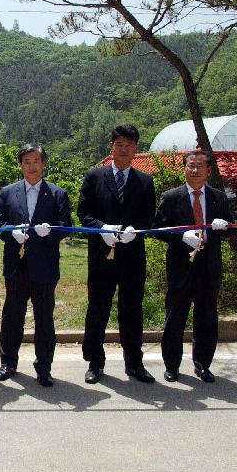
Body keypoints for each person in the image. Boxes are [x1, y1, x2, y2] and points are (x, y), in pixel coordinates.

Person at [77, 124, 157, 384]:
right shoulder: (93, 176)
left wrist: (138, 229)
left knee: (132, 309)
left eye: (129, 145)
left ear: (136, 149)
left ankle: (134, 362)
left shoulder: (145, 181)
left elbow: (149, 217)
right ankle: (94, 362)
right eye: (118, 145)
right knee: (98, 308)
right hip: (102, 255)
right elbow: (83, 214)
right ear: (111, 147)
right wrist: (102, 228)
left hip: (133, 256)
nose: (123, 150)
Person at [0, 144, 71, 387]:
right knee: (12, 315)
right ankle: (8, 361)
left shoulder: (58, 194)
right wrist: (11, 233)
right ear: (21, 164)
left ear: (43, 163)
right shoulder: (8, 192)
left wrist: (51, 232)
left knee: (44, 317)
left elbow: (65, 226)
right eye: (26, 161)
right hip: (16, 264)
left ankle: (44, 366)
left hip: (45, 265)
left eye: (36, 161)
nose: (31, 166)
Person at [153, 150, 233, 383]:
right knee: (175, 317)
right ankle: (171, 365)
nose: (195, 170)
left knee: (206, 318)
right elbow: (158, 228)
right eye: (191, 166)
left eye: (200, 166)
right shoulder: (171, 197)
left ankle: (203, 364)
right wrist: (181, 236)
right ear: (184, 168)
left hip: (208, 265)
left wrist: (224, 226)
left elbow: (231, 228)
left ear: (209, 170)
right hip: (181, 264)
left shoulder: (219, 197)